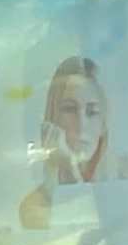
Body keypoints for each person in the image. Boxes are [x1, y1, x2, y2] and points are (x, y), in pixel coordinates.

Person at [19, 54, 115, 230]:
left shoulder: (123, 188)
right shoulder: (34, 207)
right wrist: (64, 169)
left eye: (92, 112)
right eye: (69, 109)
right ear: (52, 118)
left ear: (103, 123)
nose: (81, 124)